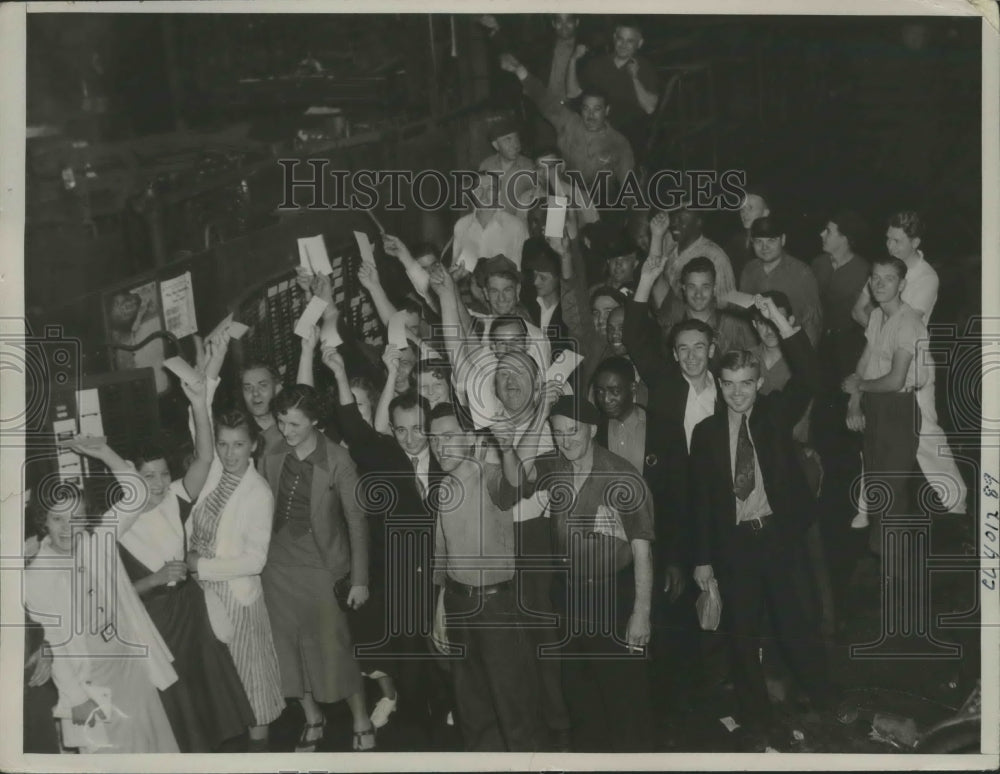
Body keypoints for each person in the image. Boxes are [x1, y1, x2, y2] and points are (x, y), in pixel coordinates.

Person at [64, 362, 255, 752]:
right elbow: (111, 597)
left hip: (192, 612)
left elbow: (204, 458)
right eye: (149, 476)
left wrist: (200, 404)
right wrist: (154, 580)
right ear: (132, 476)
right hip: (154, 622)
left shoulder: (174, 500)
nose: (159, 484)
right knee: (179, 716)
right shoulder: (115, 526)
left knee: (212, 707)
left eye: (164, 474)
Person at [690, 295, 834, 752]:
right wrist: (702, 562)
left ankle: (827, 700)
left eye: (746, 383)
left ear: (758, 383)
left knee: (796, 624)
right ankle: (755, 718)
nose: (737, 392)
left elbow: (811, 377)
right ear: (720, 383)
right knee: (742, 633)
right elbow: (701, 504)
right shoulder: (706, 434)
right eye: (729, 384)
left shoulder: (772, 415)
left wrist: (780, 324)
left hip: (776, 537)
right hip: (734, 546)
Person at [505, 392, 656, 752]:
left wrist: (641, 614)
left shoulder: (622, 474)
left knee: (624, 702)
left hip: (614, 598)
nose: (566, 440)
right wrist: (539, 412)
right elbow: (513, 481)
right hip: (570, 599)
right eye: (557, 432)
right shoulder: (554, 466)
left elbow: (642, 551)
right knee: (579, 698)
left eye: (572, 431)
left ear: (591, 429)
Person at [260, 384, 375, 751]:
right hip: (275, 567)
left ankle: (361, 718)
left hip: (322, 567)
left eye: (294, 424)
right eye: (281, 422)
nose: (286, 431)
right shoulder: (271, 449)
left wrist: (359, 579)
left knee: (334, 649)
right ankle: (312, 716)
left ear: (315, 421)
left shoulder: (339, 460)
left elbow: (357, 522)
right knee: (286, 651)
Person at [24, 484, 180, 753]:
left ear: (86, 520)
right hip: (92, 680)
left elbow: (137, 495)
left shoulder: (95, 542)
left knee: (155, 746)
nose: (67, 527)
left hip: (130, 666)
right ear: (44, 521)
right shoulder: (37, 575)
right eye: (57, 518)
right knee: (112, 756)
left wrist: (104, 451)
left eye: (76, 518)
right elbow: (55, 642)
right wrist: (76, 698)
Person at [429, 402, 545, 751]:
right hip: (457, 603)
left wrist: (507, 448)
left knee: (513, 707)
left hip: (497, 608)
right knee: (471, 708)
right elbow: (441, 556)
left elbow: (514, 486)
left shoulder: (489, 473)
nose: (439, 446)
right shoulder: (445, 488)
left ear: (469, 437)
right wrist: (440, 610)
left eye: (448, 436)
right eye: (433, 439)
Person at [591, 356, 696, 703]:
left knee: (663, 635)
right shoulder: (590, 430)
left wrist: (677, 560)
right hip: (611, 555)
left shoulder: (664, 429)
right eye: (601, 391)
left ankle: (668, 714)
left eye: (616, 391)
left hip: (659, 548)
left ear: (633, 390)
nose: (607, 398)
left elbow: (682, 498)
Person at [850, 210, 966, 515]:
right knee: (873, 434)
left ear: (916, 241)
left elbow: (906, 320)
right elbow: (859, 310)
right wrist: (879, 335)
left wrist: (882, 326)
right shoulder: (886, 269)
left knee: (926, 435)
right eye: (887, 238)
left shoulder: (927, 277)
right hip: (879, 359)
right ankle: (865, 507)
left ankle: (958, 503)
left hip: (913, 368)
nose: (890, 246)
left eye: (898, 241)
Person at [185, 400, 286, 751]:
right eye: (223, 444)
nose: (229, 453)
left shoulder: (258, 493)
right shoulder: (213, 474)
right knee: (220, 685)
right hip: (200, 594)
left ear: (254, 445)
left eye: (239, 444)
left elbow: (255, 560)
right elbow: (197, 423)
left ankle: (259, 759)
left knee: (252, 684)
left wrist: (201, 566)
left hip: (236, 599)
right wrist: (202, 387)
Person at [842, 257, 929, 551]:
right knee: (879, 490)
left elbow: (895, 379)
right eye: (875, 278)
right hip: (875, 407)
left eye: (888, 278)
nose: (879, 284)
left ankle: (899, 574)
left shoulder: (909, 323)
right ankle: (887, 567)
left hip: (898, 410)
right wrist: (854, 403)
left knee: (891, 494)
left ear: (902, 284)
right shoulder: (878, 315)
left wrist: (860, 386)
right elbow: (865, 361)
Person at [500, 53, 635, 201]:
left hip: (599, 204)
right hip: (564, 196)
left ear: (607, 110)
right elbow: (543, 98)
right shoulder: (568, 122)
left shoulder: (619, 143)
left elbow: (629, 188)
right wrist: (519, 70)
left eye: (597, 109)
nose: (590, 115)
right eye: (586, 108)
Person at [578, 19, 660, 157]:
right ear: (614, 38)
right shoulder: (597, 64)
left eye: (630, 41)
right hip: (596, 129)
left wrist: (634, 78)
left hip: (629, 135)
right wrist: (574, 59)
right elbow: (575, 94)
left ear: (639, 43)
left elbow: (650, 108)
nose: (623, 45)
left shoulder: (646, 68)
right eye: (620, 39)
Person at [739, 215, 823, 345]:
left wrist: (805, 359)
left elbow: (812, 323)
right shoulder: (749, 270)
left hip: (791, 350)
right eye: (758, 241)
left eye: (771, 240)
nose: (764, 247)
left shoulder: (802, 273)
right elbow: (743, 318)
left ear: (783, 240)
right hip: (759, 350)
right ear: (752, 242)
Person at [665, 256, 756, 365]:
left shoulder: (736, 326)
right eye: (692, 287)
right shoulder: (672, 326)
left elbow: (754, 363)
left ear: (714, 288)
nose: (698, 294)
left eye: (705, 287)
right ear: (683, 288)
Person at [657, 208, 737, 323]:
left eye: (682, 218)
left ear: (698, 222)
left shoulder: (715, 256)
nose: (674, 223)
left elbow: (726, 308)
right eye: (673, 216)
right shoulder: (669, 249)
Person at [451, 170, 529, 275]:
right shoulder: (462, 225)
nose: (484, 195)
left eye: (490, 189)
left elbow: (521, 271)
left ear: (499, 193)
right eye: (479, 189)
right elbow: (455, 268)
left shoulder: (515, 226)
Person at [478, 113, 536, 221]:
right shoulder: (486, 165)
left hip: (518, 230)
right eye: (508, 139)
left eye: (516, 138)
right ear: (496, 145)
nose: (515, 145)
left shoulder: (529, 167)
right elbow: (480, 198)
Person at [726, 189, 771, 282]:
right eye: (742, 208)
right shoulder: (735, 241)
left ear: (765, 213)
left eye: (750, 208)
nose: (744, 213)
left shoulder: (772, 247)